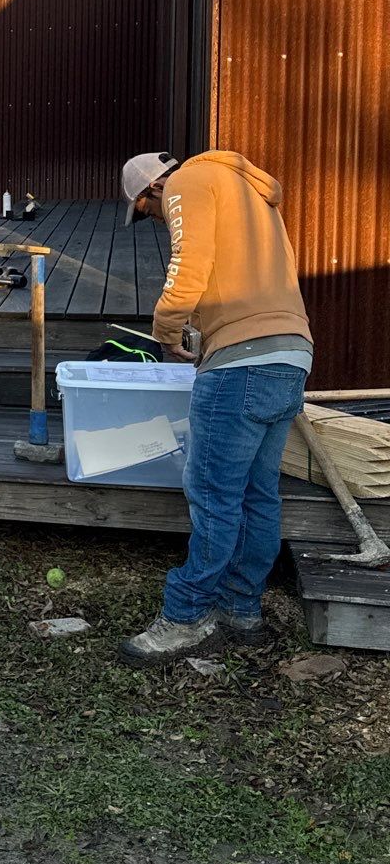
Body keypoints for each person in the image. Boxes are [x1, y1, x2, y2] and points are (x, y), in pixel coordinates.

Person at [116, 150, 313, 667]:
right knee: (257, 494)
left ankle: (184, 617)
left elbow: (188, 266)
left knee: (212, 494)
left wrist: (165, 330)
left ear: (153, 189)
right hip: (291, 353)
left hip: (241, 364)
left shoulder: (186, 182)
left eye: (147, 211)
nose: (155, 220)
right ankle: (239, 607)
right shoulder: (247, 190)